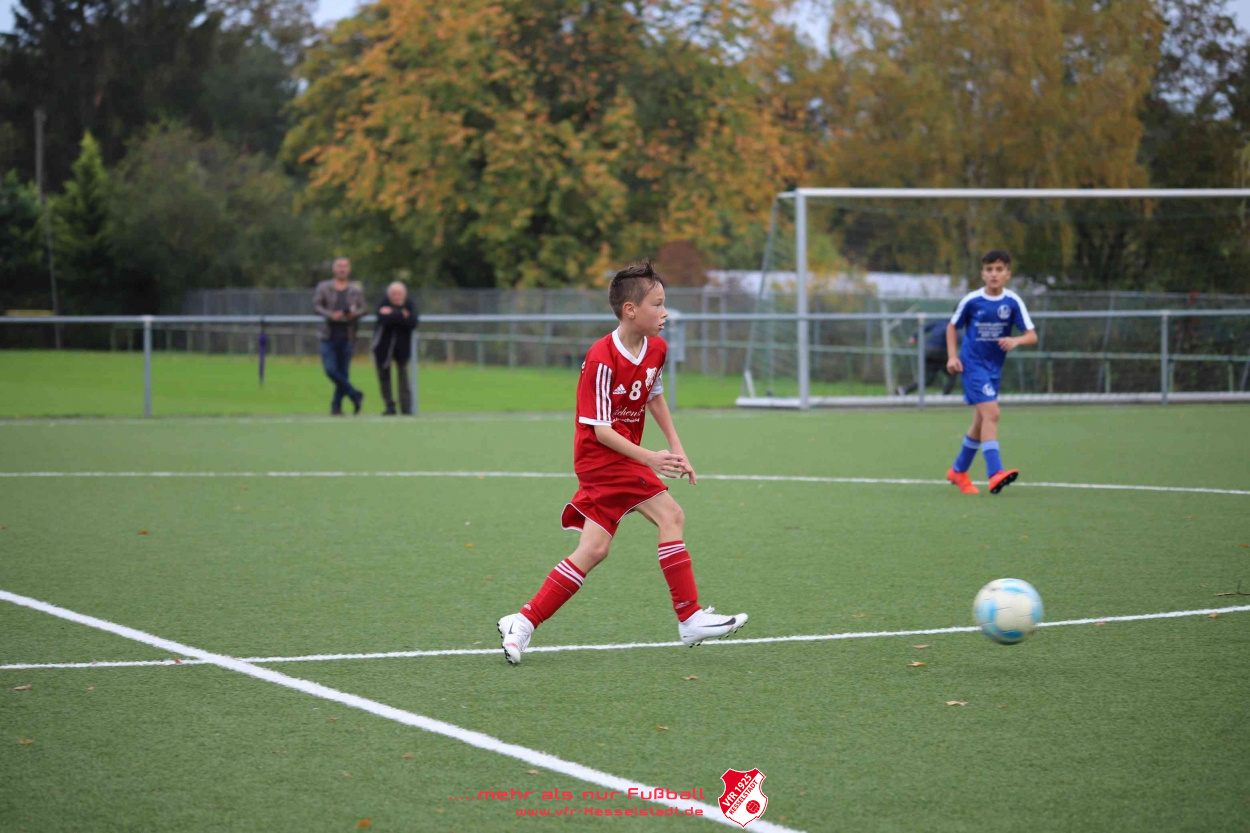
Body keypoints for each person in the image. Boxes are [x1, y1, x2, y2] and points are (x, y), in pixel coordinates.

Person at [496, 261, 748, 665]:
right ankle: (689, 617)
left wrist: (676, 446)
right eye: (657, 305)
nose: (665, 313)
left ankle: (522, 621)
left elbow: (654, 395)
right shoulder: (601, 357)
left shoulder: (657, 349)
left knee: (594, 549)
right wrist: (650, 458)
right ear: (630, 310)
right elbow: (600, 431)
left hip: (621, 457)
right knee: (671, 515)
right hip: (601, 459)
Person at [945, 250, 1038, 495]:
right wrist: (953, 356)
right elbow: (952, 327)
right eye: (989, 269)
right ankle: (995, 472)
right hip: (972, 365)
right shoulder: (972, 300)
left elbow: (1032, 335)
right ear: (982, 274)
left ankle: (958, 471)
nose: (994, 274)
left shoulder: (1013, 302)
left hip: (994, 368)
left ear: (1008, 274)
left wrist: (1015, 340)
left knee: (981, 422)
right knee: (993, 414)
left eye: (999, 269)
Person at [313, 257, 366, 415]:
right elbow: (316, 306)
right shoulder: (324, 287)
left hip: (347, 336)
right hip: (328, 336)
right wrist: (331, 314)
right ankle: (354, 394)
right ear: (333, 269)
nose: (342, 269)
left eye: (345, 266)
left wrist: (353, 315)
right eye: (339, 266)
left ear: (349, 269)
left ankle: (336, 407)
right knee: (330, 370)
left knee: (343, 373)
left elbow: (364, 309)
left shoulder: (355, 290)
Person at [371, 281, 418, 415]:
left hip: (403, 347)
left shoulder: (410, 305)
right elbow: (383, 318)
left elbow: (412, 322)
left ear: (405, 294)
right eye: (394, 294)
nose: (397, 296)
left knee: (403, 377)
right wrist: (400, 314)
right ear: (389, 295)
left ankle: (406, 407)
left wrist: (392, 313)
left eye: (399, 293)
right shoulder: (383, 303)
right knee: (384, 377)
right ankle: (389, 406)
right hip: (383, 347)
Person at [897, 316, 959, 396]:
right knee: (953, 373)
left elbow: (924, 328)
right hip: (939, 353)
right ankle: (945, 395)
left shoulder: (940, 321)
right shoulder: (951, 325)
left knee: (928, 380)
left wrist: (914, 337)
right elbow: (958, 338)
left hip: (929, 352)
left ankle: (905, 390)